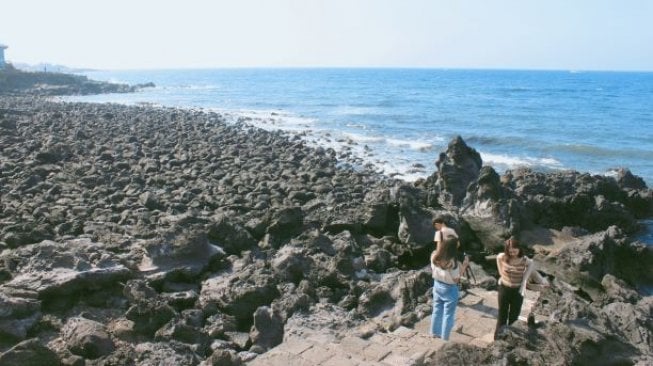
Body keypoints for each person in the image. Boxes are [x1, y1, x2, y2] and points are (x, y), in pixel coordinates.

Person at [494, 236, 549, 340]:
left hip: (518, 291)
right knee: (502, 316)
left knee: (514, 317)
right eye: (510, 252)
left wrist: (529, 280)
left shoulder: (525, 260)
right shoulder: (502, 257)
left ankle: (509, 338)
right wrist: (501, 275)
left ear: (519, 249)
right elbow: (497, 257)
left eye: (514, 251)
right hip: (504, 290)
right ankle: (498, 339)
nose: (512, 254)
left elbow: (532, 265)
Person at [430, 236, 469, 340]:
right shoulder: (453, 262)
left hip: (437, 285)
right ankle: (444, 338)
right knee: (448, 315)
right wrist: (464, 265)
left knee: (437, 310)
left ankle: (434, 333)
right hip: (449, 289)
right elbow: (456, 279)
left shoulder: (434, 255)